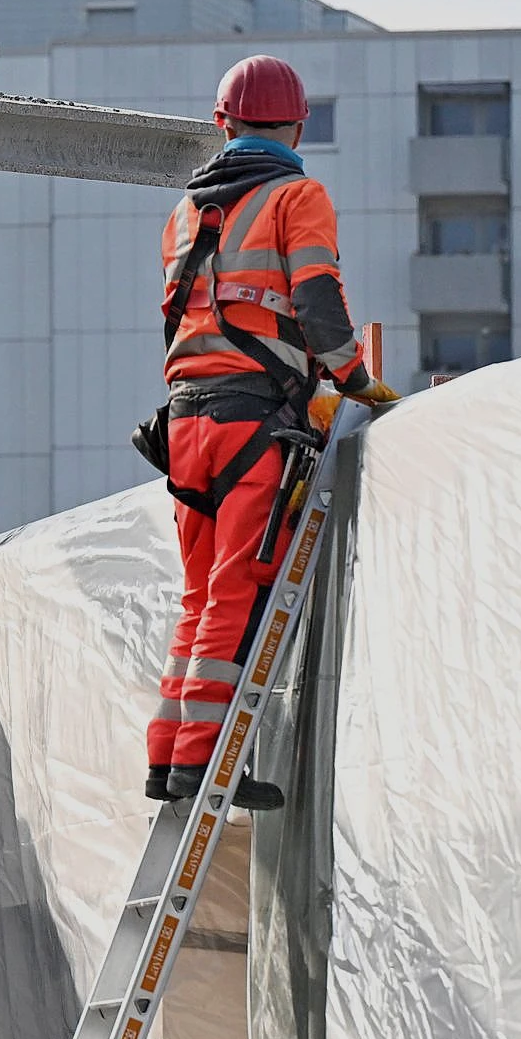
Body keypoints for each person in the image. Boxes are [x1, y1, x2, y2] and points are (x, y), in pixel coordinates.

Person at [141, 54, 397, 806]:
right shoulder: (297, 195)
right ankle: (205, 767)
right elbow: (317, 301)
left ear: (222, 124)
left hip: (187, 421)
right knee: (236, 592)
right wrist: (355, 381)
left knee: (197, 594)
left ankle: (168, 758)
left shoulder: (186, 212)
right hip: (254, 418)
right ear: (298, 124)